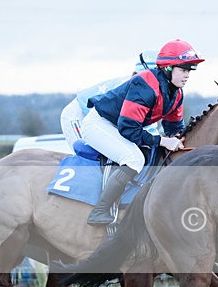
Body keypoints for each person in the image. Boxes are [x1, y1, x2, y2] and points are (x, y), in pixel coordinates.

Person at [80, 39, 204, 225]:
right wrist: (163, 141)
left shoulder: (177, 93)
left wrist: (178, 137)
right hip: (100, 124)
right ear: (168, 68)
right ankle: (99, 211)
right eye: (183, 70)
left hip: (120, 125)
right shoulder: (145, 84)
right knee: (133, 159)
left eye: (189, 71)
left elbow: (174, 128)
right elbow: (128, 128)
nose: (187, 76)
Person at [59, 50, 159, 151]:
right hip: (78, 114)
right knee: (86, 153)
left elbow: (147, 126)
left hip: (100, 118)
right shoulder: (134, 88)